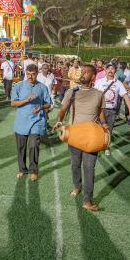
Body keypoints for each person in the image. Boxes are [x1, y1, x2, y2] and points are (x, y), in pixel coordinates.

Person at [55, 64, 108, 211]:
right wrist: (59, 120)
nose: (82, 74)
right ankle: (77, 186)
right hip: (74, 135)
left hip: (92, 137)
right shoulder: (71, 92)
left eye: (86, 72)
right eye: (82, 71)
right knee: (75, 165)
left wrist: (104, 123)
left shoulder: (99, 94)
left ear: (93, 76)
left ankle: (87, 200)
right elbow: (63, 109)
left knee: (89, 168)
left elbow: (100, 112)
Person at [11, 64, 51, 182]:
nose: (30, 76)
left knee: (34, 145)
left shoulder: (43, 87)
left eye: (33, 74)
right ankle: (22, 169)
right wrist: (26, 99)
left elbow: (48, 104)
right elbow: (13, 103)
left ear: (37, 74)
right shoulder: (18, 86)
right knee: (21, 147)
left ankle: (33, 171)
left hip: (37, 121)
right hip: (22, 121)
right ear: (25, 73)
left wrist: (41, 107)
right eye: (28, 74)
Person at [94, 63, 130, 155]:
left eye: (112, 69)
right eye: (109, 68)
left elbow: (125, 96)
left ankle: (106, 147)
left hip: (112, 111)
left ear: (115, 71)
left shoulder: (118, 83)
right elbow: (94, 94)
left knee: (109, 130)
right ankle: (97, 145)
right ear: (105, 70)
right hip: (100, 110)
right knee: (98, 129)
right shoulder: (99, 82)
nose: (110, 70)